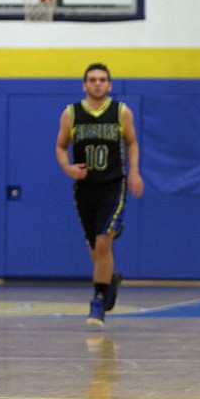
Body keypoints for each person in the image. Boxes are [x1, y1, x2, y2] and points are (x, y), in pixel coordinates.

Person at [55, 63, 144, 327]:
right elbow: (60, 147)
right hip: (85, 188)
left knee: (104, 242)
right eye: (92, 80)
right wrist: (67, 166)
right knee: (97, 252)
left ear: (110, 85)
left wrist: (135, 172)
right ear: (84, 85)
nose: (97, 83)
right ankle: (109, 280)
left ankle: (97, 303)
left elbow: (131, 142)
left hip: (113, 185)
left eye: (102, 79)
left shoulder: (121, 112)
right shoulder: (71, 114)